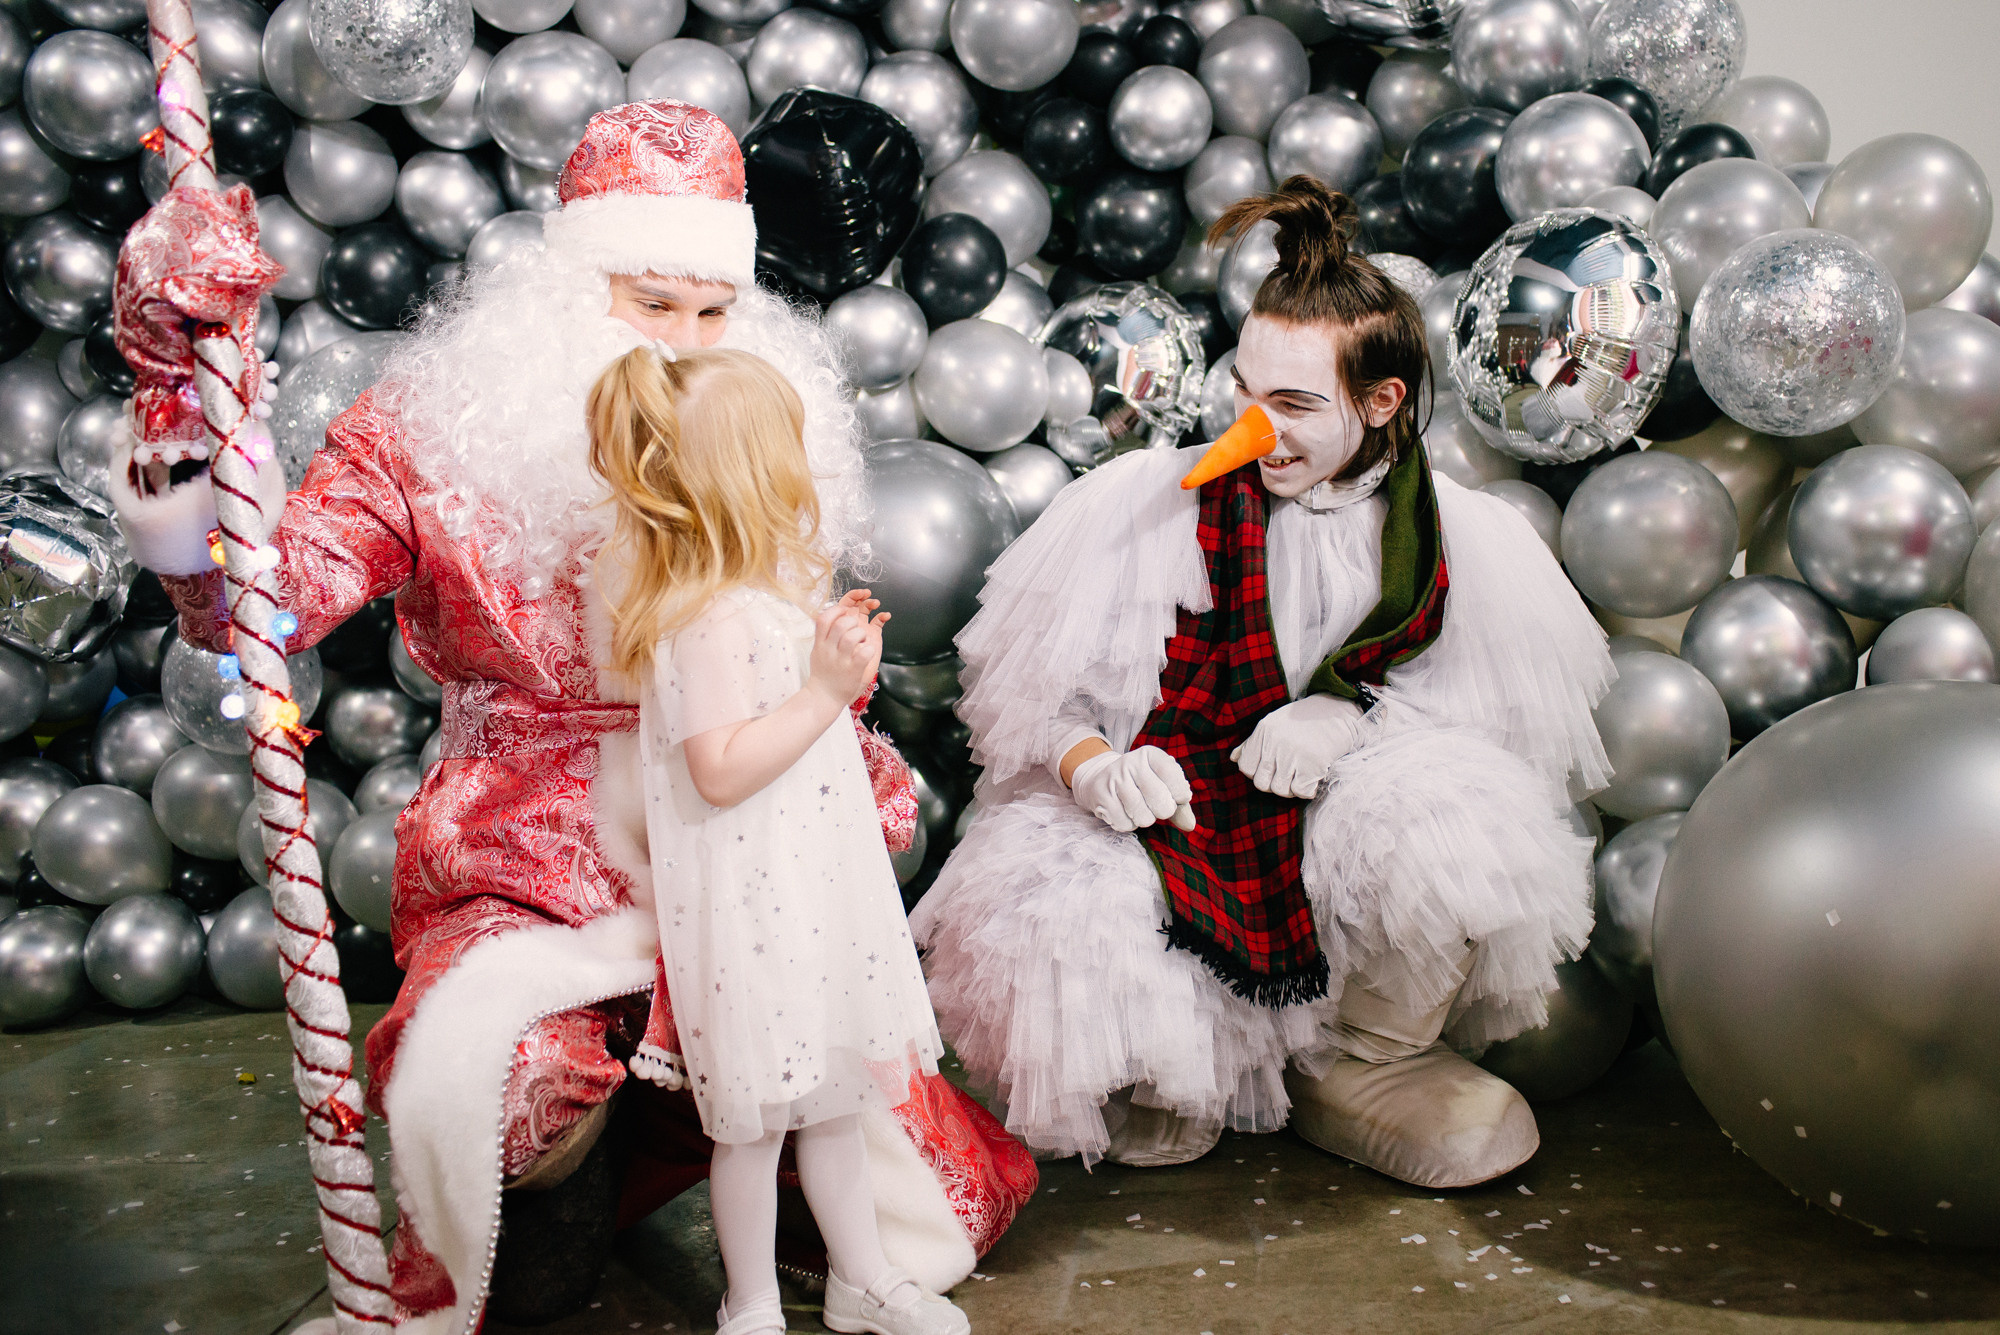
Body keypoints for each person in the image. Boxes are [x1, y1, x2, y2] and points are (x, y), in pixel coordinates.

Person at [109, 100, 1034, 1332]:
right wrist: (186, 429)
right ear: (567, 286)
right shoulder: (431, 429)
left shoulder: (751, 419)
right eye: (650, 305)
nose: (686, 346)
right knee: (517, 1189)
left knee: (891, 1177)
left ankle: (801, 1243)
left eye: (714, 311)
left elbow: (788, 661)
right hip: (533, 854)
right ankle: (597, 1157)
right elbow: (261, 607)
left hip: (758, 860)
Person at [912, 177, 1613, 1186]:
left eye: (1290, 404)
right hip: (1179, 816)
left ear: (1379, 404)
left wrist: (1342, 719)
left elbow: (1484, 738)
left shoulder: (1459, 537)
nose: (1253, 426)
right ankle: (1176, 1065)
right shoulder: (1143, 504)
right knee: (1043, 888)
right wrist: (1092, 767)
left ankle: (1358, 1061)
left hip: (1326, 824)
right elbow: (1047, 703)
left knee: (1462, 817)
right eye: (1242, 389)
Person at [589, 344, 971, 1335]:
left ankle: (864, 1276)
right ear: (753, 479)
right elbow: (721, 768)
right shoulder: (704, 619)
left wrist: (824, 649)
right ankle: (749, 1300)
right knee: (755, 1132)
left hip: (811, 895)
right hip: (755, 913)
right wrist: (822, 690)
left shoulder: (752, 599)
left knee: (836, 1105)